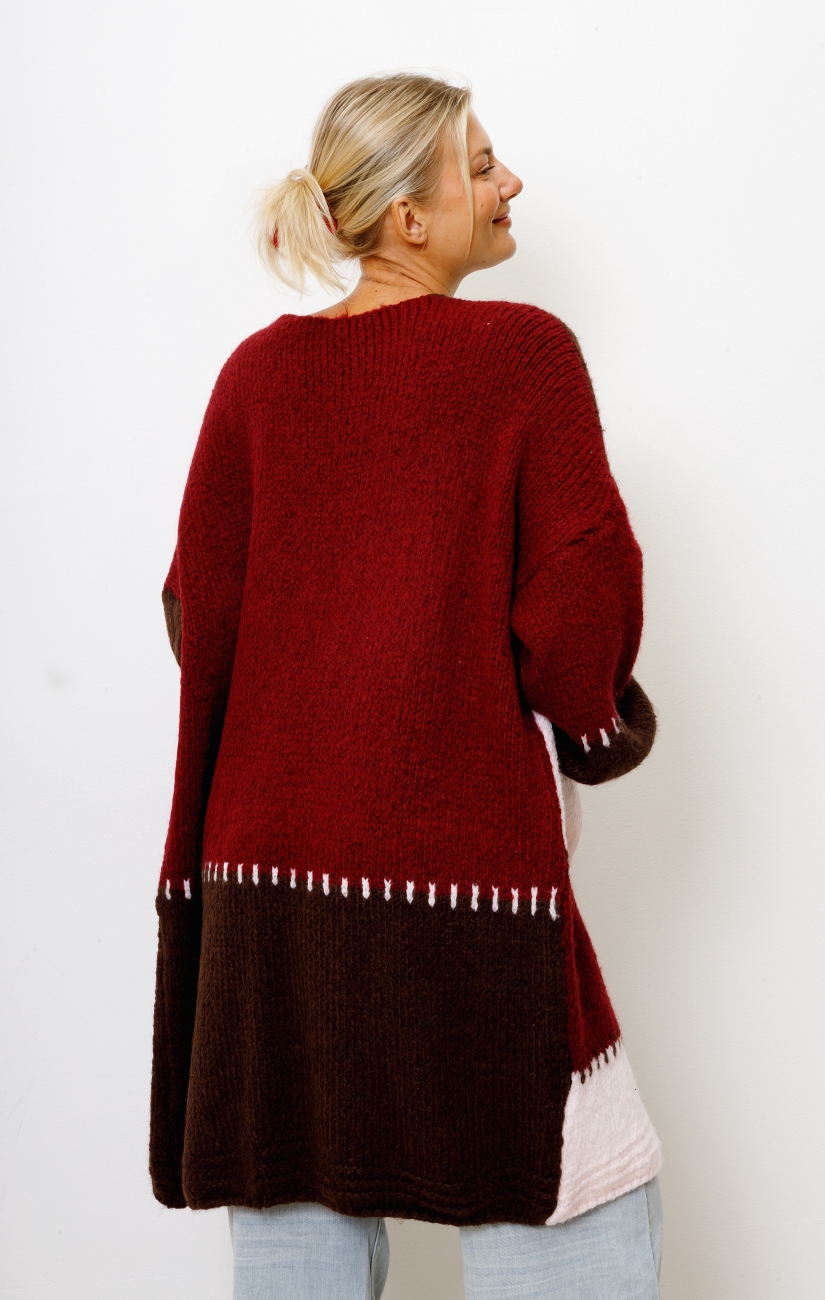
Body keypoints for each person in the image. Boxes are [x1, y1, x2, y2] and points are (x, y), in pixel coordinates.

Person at [150, 72, 663, 1299]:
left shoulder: (254, 376)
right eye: (479, 164)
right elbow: (574, 619)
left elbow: (194, 611)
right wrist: (596, 732)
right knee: (565, 1191)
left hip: (266, 894)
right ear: (407, 217)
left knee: (295, 1217)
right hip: (458, 882)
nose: (509, 180)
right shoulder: (522, 355)